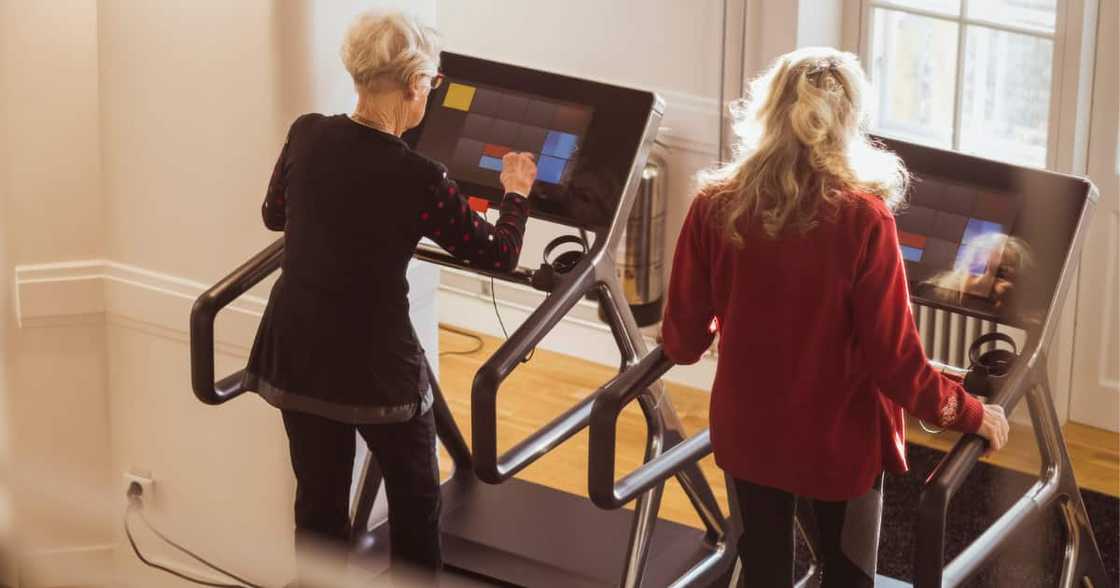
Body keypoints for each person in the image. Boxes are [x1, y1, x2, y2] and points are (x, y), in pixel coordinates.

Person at [660, 47, 1009, 587]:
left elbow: (682, 342)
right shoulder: (864, 218)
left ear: (769, 110)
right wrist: (968, 412)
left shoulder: (714, 203)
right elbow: (895, 362)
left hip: (749, 433)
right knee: (846, 577)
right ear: (849, 121)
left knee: (764, 574)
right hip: (838, 445)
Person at [242, 10, 537, 586]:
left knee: (319, 507)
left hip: (295, 355)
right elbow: (498, 253)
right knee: (415, 500)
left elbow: (274, 214)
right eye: (431, 83)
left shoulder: (307, 132)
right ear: (413, 85)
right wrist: (515, 193)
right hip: (376, 370)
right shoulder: (421, 178)